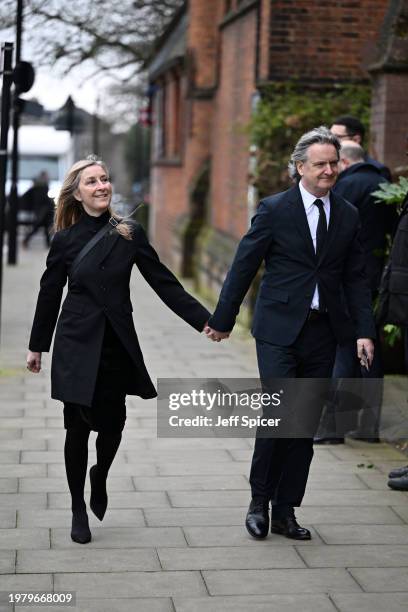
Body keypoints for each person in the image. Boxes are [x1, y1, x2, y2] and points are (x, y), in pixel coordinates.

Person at [26, 157, 210, 544]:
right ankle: (78, 507)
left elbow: (164, 283)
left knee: (113, 425)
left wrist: (205, 320)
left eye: (105, 179)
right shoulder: (65, 240)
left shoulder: (129, 232)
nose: (101, 186)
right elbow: (48, 293)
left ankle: (100, 475)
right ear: (77, 192)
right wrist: (37, 346)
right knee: (76, 428)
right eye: (92, 181)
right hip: (76, 341)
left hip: (115, 341)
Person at [205, 127, 375, 540]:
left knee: (304, 423)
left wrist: (363, 332)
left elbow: (356, 279)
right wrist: (223, 319)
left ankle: (285, 510)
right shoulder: (274, 209)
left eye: (334, 163)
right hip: (278, 330)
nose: (329, 170)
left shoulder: (348, 214)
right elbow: (244, 265)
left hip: (324, 333)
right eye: (320, 164)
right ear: (299, 167)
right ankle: (258, 502)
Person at [314, 141, 397, 444]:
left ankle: (332, 427)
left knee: (343, 351)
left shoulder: (347, 188)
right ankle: (368, 426)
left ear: (345, 163)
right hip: (377, 277)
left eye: (333, 164)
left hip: (347, 280)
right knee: (369, 351)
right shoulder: (385, 184)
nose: (329, 171)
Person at [330, 115, 392, 181]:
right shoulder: (329, 166)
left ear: (356, 139)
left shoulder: (378, 170)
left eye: (336, 137)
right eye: (330, 136)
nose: (331, 141)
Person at [21, 171, 54, 248]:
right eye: (46, 176)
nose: (48, 178)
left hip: (42, 210)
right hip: (42, 211)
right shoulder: (42, 187)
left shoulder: (37, 187)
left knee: (45, 228)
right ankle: (26, 240)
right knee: (37, 227)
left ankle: (48, 244)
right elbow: (43, 200)